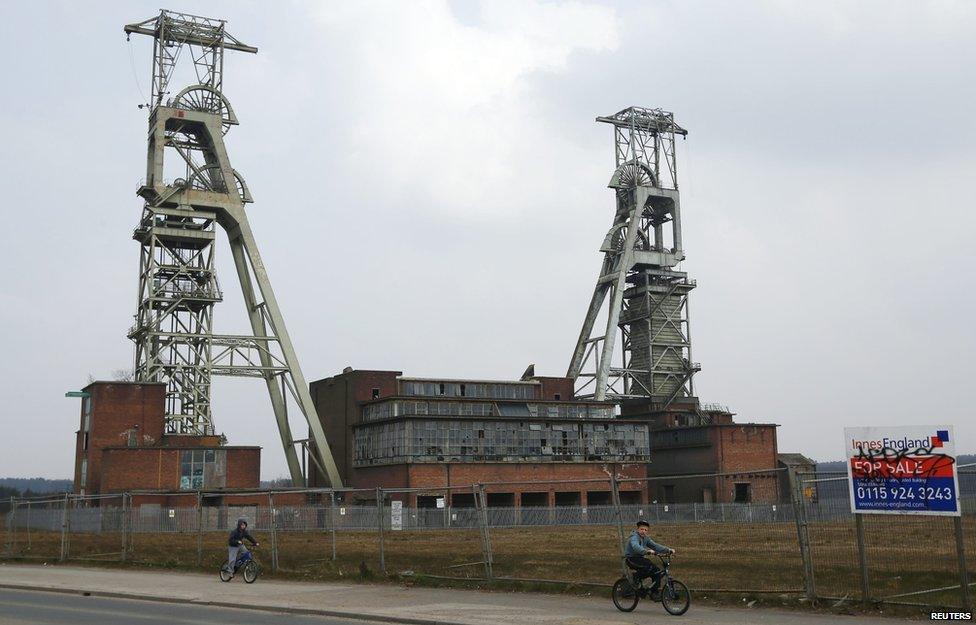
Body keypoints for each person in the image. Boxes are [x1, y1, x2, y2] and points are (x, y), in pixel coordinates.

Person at [624, 520, 675, 598]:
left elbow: (655, 546)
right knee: (648, 567)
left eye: (645, 530)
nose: (643, 531)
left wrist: (668, 550)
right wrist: (646, 551)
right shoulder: (634, 537)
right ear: (638, 529)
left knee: (657, 571)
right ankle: (636, 577)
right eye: (641, 529)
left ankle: (654, 592)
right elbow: (636, 547)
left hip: (640, 559)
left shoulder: (646, 538)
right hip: (631, 559)